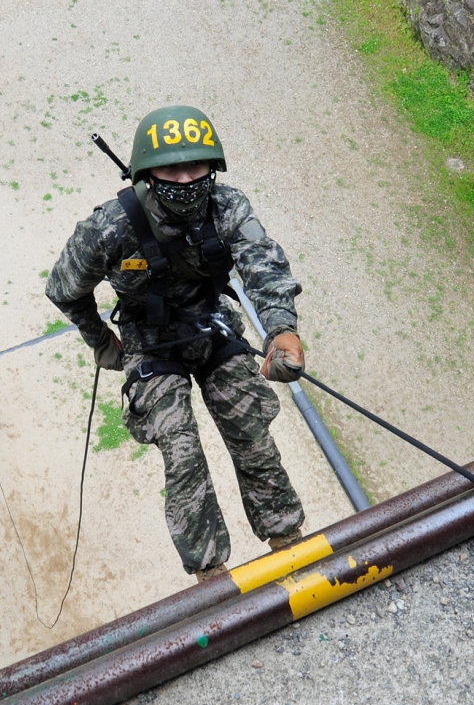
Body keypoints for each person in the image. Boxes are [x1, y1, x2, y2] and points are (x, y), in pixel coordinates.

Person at [45, 105, 307, 583]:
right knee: (182, 452)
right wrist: (101, 340)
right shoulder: (109, 227)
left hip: (212, 328)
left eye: (196, 167)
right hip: (150, 345)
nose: (186, 180)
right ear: (148, 172)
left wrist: (281, 330)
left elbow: (263, 269)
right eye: (171, 169)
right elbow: (65, 288)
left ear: (214, 167)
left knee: (251, 431)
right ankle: (211, 576)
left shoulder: (228, 208)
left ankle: (287, 537)